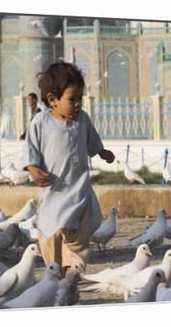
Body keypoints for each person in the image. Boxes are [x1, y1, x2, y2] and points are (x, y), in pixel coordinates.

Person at [22, 62, 115, 277]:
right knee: (50, 236)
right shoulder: (40, 122)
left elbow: (92, 141)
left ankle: (71, 272)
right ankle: (57, 274)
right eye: (71, 99)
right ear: (52, 100)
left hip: (79, 191)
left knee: (78, 237)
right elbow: (31, 149)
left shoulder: (82, 120)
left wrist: (102, 152)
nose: (77, 104)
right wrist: (33, 169)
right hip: (53, 192)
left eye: (79, 99)